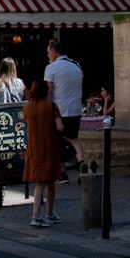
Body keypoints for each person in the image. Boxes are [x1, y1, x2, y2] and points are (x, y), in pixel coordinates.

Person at [23, 80, 65, 227]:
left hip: (34, 147)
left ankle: (37, 214)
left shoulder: (27, 108)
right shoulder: (51, 106)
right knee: (49, 182)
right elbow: (60, 127)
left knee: (39, 182)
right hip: (49, 146)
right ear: (46, 91)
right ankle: (45, 214)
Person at [44, 41, 85, 179]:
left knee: (57, 140)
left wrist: (47, 109)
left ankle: (61, 173)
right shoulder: (76, 65)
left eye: (49, 52)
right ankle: (81, 162)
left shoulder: (51, 68)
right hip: (75, 108)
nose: (48, 55)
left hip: (59, 110)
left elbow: (49, 91)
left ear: (55, 52)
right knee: (73, 137)